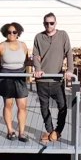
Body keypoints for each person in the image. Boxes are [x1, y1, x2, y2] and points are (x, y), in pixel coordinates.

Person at [32, 12, 74, 142]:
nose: (49, 25)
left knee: (63, 107)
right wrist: (37, 69)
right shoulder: (39, 37)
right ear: (43, 23)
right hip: (42, 80)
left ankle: (58, 130)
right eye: (46, 23)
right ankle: (50, 131)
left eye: (51, 23)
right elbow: (35, 55)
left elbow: (69, 53)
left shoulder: (63, 35)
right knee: (44, 107)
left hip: (57, 80)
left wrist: (70, 70)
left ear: (55, 23)